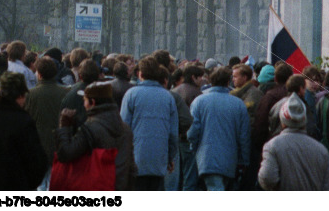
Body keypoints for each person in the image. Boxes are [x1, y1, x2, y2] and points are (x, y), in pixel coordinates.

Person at [55, 79, 135, 191]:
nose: (84, 104)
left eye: (85, 100)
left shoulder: (90, 128)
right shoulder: (125, 129)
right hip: (120, 186)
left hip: (97, 187)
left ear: (92, 102)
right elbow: (131, 166)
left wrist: (65, 127)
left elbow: (65, 154)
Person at [187, 66, 250, 191]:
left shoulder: (199, 101)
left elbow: (193, 130)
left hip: (206, 157)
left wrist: (193, 148)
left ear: (210, 81)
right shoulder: (238, 104)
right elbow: (244, 136)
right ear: (228, 81)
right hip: (230, 160)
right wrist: (244, 160)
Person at [120, 56, 178, 191]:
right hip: (159, 157)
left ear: (140, 73)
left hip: (135, 158)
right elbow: (173, 133)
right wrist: (170, 157)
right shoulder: (168, 97)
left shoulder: (131, 94)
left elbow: (124, 128)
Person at [258, 94, 329, 190]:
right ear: (304, 119)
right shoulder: (321, 150)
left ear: (282, 120)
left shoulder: (272, 146)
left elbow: (267, 178)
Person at [25, 56, 68, 191]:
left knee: (40, 184)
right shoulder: (66, 93)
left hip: (38, 144)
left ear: (39, 74)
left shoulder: (30, 95)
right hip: (59, 144)